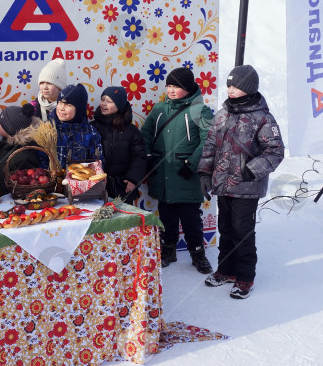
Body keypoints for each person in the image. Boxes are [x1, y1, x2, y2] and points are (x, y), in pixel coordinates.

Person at [197, 64, 285, 300]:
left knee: (242, 231)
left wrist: (251, 170)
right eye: (228, 85)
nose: (230, 89)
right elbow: (210, 147)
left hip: (246, 187)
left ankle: (245, 278)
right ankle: (226, 271)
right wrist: (205, 173)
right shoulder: (222, 114)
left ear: (248, 87)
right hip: (222, 185)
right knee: (225, 229)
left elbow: (275, 151)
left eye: (235, 85)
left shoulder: (263, 118)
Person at [141, 67, 214, 273]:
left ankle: (198, 253)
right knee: (166, 217)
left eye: (177, 86)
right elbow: (145, 134)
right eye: (169, 85)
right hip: (163, 175)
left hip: (187, 176)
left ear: (188, 88)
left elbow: (209, 140)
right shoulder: (159, 109)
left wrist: (191, 164)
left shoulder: (200, 110)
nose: (171, 90)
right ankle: (168, 250)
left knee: (191, 219)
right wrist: (148, 157)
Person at [92, 86, 146, 205]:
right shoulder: (92, 127)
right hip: (97, 188)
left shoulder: (131, 131)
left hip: (122, 188)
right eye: (102, 99)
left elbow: (139, 156)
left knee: (124, 222)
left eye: (109, 101)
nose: (103, 104)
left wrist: (133, 179)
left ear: (120, 105)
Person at [0, 103, 46, 195]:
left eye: (1, 123)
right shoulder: (5, 144)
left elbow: (24, 187)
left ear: (10, 130)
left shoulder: (23, 158)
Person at [52, 83, 104, 169]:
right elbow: (42, 158)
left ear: (79, 109)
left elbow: (97, 161)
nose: (61, 108)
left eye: (68, 105)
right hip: (52, 180)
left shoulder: (90, 132)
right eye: (60, 103)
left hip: (80, 179)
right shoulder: (49, 129)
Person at [30, 58, 66, 122]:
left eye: (49, 83)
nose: (45, 87)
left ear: (60, 86)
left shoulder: (70, 107)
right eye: (41, 83)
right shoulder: (32, 108)